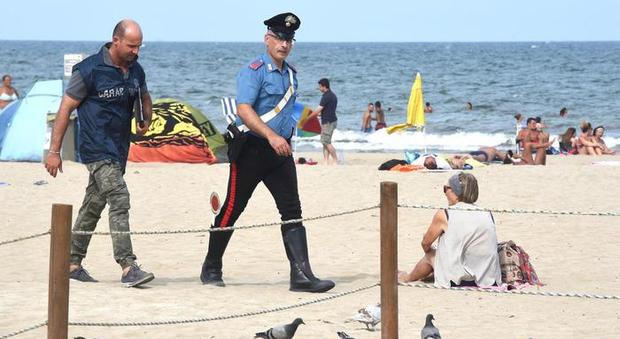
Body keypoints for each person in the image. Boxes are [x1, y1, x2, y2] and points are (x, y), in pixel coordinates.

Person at [200, 12, 335, 293]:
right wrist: (271, 135)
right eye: (279, 38)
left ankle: (301, 275)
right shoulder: (254, 70)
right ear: (267, 39)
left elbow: (288, 112)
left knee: (292, 211)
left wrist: (292, 133)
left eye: (289, 39)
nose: (284, 44)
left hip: (280, 152)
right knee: (233, 209)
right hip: (252, 150)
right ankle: (211, 266)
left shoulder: (291, 75)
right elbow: (245, 109)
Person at [44, 19, 155, 287]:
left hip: (119, 148)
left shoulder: (135, 69)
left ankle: (71, 262)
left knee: (93, 204)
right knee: (119, 197)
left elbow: (144, 95)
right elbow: (65, 109)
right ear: (115, 40)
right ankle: (128, 267)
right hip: (96, 148)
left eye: (139, 46)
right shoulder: (89, 70)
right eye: (131, 46)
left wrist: (146, 118)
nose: (136, 51)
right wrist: (54, 151)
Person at [398, 173, 501, 288]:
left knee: (430, 254)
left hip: (458, 281)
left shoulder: (445, 213)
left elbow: (425, 244)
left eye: (445, 189)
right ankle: (431, 272)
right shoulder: (487, 213)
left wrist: (431, 249)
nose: (445, 193)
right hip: (488, 278)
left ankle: (406, 278)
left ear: (455, 191)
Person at [305, 78, 338, 164]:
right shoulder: (332, 95)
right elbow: (328, 110)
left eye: (320, 86)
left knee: (326, 141)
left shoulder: (326, 96)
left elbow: (318, 110)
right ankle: (326, 161)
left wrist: (307, 118)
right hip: (330, 120)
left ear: (324, 86)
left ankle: (335, 160)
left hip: (328, 122)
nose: (319, 88)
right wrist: (320, 115)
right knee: (325, 141)